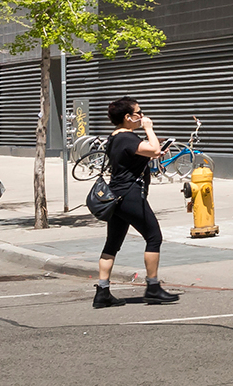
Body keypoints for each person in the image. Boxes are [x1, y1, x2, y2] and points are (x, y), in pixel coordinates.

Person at [92, 98, 178, 309]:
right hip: (130, 196)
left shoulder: (115, 138)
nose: (142, 116)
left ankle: (102, 292)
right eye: (139, 113)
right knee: (154, 237)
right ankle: (153, 287)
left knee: (112, 244)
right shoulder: (127, 137)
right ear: (128, 118)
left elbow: (136, 157)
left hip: (116, 196)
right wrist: (149, 128)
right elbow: (155, 150)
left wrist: (149, 154)